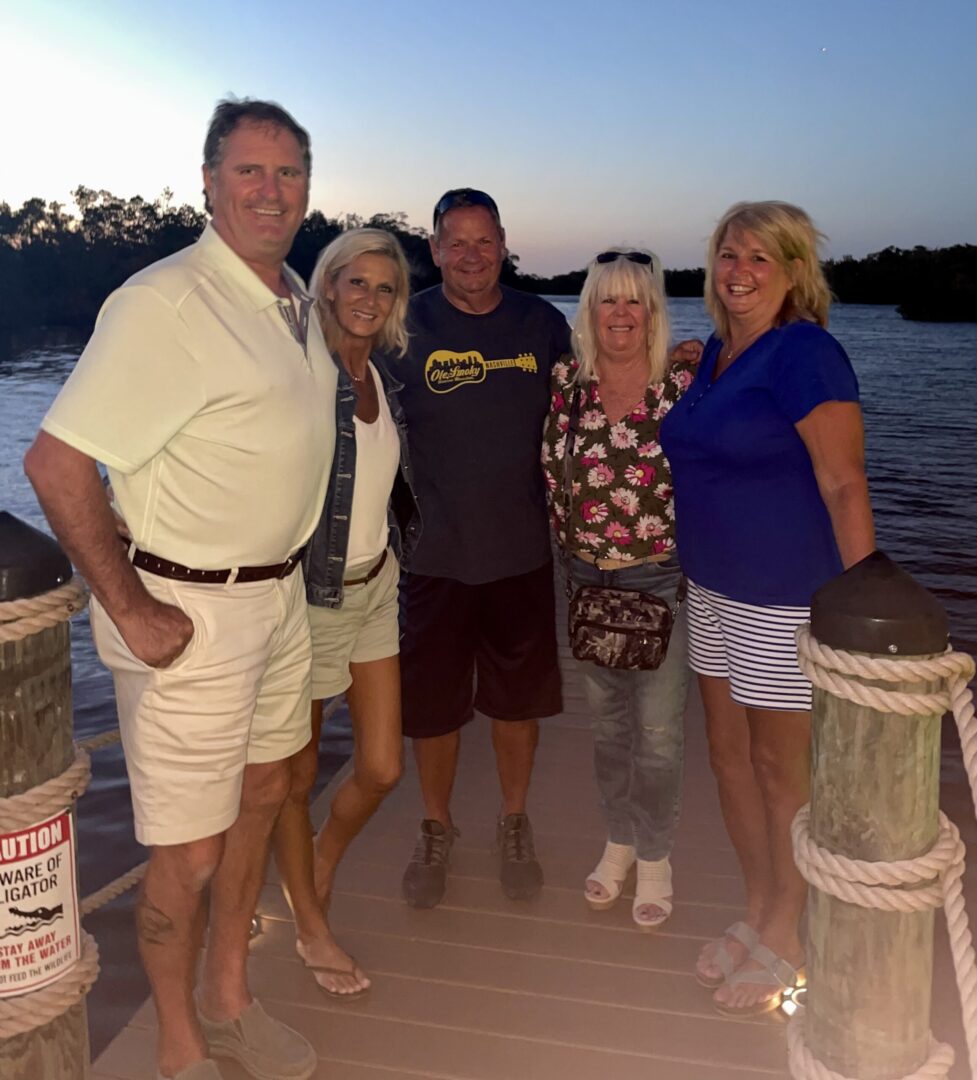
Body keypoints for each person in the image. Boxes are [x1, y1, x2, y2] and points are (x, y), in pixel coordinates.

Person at [24, 98, 332, 1080]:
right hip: (189, 617)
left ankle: (231, 999)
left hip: (277, 600)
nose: (271, 191)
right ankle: (178, 1046)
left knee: (267, 793)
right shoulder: (166, 302)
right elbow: (56, 465)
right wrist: (130, 608)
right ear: (207, 182)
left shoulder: (294, 302)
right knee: (188, 854)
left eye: (288, 173)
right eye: (250, 171)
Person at [660, 201, 875, 1016]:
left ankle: (790, 926)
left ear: (793, 272)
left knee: (782, 770)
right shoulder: (717, 351)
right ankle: (759, 907)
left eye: (759, 257)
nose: (738, 271)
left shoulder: (806, 353)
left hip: (783, 598)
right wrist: (689, 363)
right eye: (727, 255)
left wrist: (860, 608)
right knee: (726, 758)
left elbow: (843, 482)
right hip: (711, 589)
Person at [397, 188, 572, 909]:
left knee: (514, 704)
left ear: (503, 244)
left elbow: (598, 398)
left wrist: (678, 362)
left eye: (484, 241)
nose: (471, 255)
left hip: (520, 553)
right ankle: (435, 827)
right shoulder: (402, 322)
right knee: (434, 710)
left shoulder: (542, 323)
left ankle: (511, 819)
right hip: (430, 556)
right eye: (455, 242)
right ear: (434, 249)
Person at [272, 227, 419, 998]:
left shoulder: (379, 375)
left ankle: (321, 862)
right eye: (354, 282)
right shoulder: (301, 372)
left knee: (383, 766)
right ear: (326, 285)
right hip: (313, 598)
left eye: (384, 287)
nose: (368, 298)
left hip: (376, 587)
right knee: (294, 775)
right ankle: (308, 925)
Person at [541, 248, 698, 930]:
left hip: (657, 580)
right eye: (609, 299)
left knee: (659, 737)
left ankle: (657, 857)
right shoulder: (566, 383)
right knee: (606, 731)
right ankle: (619, 842)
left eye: (635, 299)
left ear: (653, 311)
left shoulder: (682, 384)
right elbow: (550, 475)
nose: (622, 313)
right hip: (584, 580)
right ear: (590, 310)